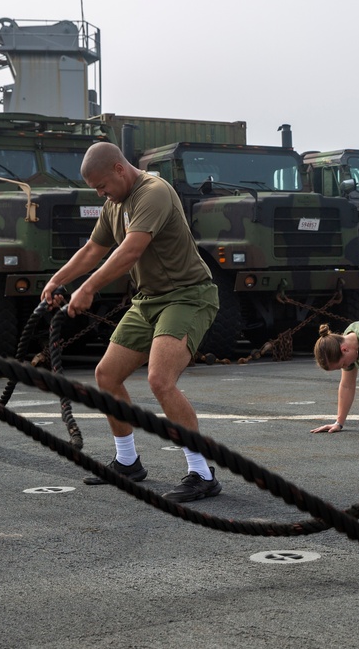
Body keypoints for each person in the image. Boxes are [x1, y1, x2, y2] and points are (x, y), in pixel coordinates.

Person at [41, 142, 221, 503]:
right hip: (148, 300)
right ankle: (128, 463)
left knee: (160, 380)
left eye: (102, 185)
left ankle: (202, 473)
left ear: (120, 169)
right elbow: (93, 249)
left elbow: (131, 250)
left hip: (187, 296)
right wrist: (56, 280)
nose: (101, 193)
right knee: (106, 375)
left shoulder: (153, 193)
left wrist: (88, 288)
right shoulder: (115, 205)